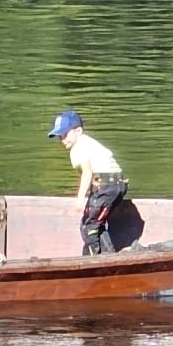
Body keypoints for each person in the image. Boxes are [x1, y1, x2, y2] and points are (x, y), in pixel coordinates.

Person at [48, 109, 127, 256]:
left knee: (88, 226)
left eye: (65, 134)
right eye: (59, 136)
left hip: (106, 185)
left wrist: (80, 199)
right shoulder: (89, 142)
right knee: (97, 224)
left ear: (78, 131)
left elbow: (87, 172)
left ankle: (91, 262)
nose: (62, 139)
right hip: (119, 183)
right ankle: (108, 258)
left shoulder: (78, 147)